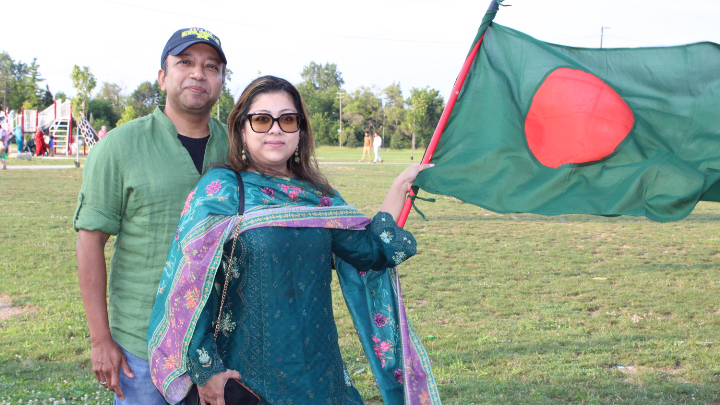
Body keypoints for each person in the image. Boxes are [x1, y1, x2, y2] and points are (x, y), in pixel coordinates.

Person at [148, 76, 438, 405]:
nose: (275, 130)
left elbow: (370, 252)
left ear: (300, 131)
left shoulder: (317, 198)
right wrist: (206, 370)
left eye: (288, 120)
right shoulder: (222, 190)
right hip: (248, 381)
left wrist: (398, 186)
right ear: (241, 129)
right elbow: (189, 288)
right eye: (261, 120)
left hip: (320, 378)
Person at [74, 27, 229, 405]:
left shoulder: (238, 145)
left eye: (211, 66)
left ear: (221, 81)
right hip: (141, 347)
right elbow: (90, 240)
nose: (198, 73)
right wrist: (100, 340)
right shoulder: (119, 147)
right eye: (185, 62)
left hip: (221, 344)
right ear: (162, 77)